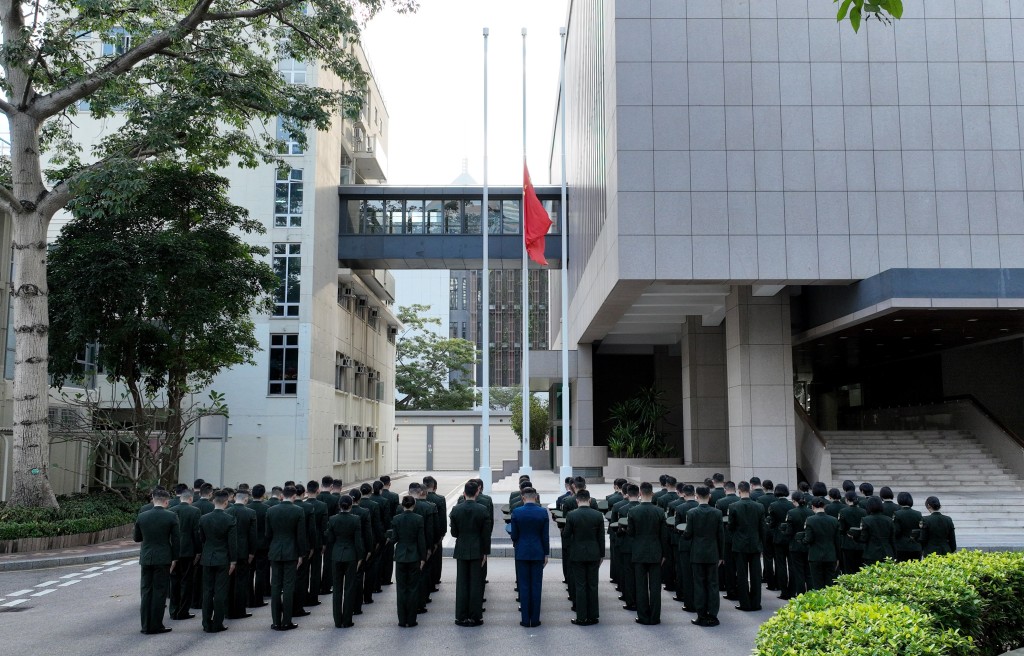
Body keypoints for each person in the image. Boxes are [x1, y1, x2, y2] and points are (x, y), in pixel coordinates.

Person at [134, 489, 180, 635]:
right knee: (159, 592)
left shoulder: (142, 516)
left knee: (146, 591)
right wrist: (175, 558)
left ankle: (145, 625)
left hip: (146, 557)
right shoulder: (171, 516)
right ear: (167, 501)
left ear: (153, 499)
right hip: (163, 557)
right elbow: (176, 540)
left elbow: (137, 538)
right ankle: (156, 624)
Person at [266, 484, 308, 631]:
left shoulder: (271, 510)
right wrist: (301, 554)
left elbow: (268, 534)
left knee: (276, 586)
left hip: (275, 550)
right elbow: (300, 536)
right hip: (291, 552)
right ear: (295, 496)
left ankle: (276, 621)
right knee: (289, 586)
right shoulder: (298, 510)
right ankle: (287, 621)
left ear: (282, 496)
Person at [449, 480, 489, 627]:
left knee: (462, 583)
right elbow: (486, 535)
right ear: (477, 492)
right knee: (476, 584)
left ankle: (460, 616)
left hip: (462, 548)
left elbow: (454, 533)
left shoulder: (456, 510)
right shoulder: (483, 509)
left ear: (464, 493)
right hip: (478, 548)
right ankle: (475, 616)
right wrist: (486, 552)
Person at [198, 490, 238, 633]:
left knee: (207, 591)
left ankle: (206, 623)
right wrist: (233, 561)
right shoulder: (230, 519)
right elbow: (232, 543)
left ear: (213, 501)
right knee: (220, 592)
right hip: (223, 559)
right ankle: (218, 623)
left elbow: (202, 539)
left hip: (207, 557)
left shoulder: (203, 519)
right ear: (226, 503)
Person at [685, 486, 725, 627]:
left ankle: (701, 615)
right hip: (713, 553)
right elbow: (721, 536)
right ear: (709, 496)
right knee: (713, 584)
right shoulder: (717, 513)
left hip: (697, 553)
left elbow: (688, 534)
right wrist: (722, 555)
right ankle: (713, 615)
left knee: (699, 584)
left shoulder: (691, 513)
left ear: (696, 496)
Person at [563, 488, 604, 626]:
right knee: (593, 585)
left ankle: (581, 616)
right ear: (590, 500)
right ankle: (593, 615)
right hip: (594, 553)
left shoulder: (571, 515)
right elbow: (601, 538)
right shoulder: (598, 515)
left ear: (577, 500)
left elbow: (566, 535)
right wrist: (602, 554)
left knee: (580, 585)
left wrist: (570, 550)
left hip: (577, 553)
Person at [510, 487, 548, 628]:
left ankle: (525, 620)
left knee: (524, 586)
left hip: (522, 552)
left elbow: (514, 535)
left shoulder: (517, 512)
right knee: (536, 586)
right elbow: (545, 536)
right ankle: (535, 619)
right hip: (538, 551)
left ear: (523, 498)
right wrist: (546, 553)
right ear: (536, 497)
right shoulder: (543, 512)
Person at [627, 482, 663, 626]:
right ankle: (655, 617)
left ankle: (643, 616)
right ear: (652, 493)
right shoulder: (659, 511)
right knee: (655, 587)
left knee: (640, 586)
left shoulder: (633, 511)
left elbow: (631, 533)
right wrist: (664, 553)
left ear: (640, 493)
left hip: (639, 551)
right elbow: (663, 535)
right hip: (655, 551)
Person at [325, 494, 363, 628]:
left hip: (336, 554)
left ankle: (337, 620)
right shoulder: (356, 519)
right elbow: (358, 541)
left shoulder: (332, 519)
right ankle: (347, 620)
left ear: (339, 505)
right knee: (349, 588)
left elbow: (330, 539)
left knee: (337, 589)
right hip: (351, 555)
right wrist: (360, 556)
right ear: (351, 505)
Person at [728, 481, 765, 612]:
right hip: (755, 544)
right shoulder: (759, 506)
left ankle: (744, 603)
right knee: (755, 575)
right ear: (749, 490)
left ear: (739, 491)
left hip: (739, 544)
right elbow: (762, 528)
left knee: (742, 575)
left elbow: (730, 527)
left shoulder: (733, 506)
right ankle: (756, 603)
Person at [392, 495, 426, 628]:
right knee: (413, 588)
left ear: (402, 505)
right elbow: (421, 541)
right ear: (414, 505)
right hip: (414, 556)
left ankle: (402, 619)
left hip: (400, 555)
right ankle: (411, 620)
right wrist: (423, 558)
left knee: (401, 589)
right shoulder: (419, 519)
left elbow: (394, 538)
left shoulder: (396, 519)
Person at [167, 488, 200, 621]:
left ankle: (173, 610)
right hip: (188, 550)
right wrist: (198, 551)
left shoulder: (171, 511)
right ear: (190, 499)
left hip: (174, 551)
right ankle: (183, 611)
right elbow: (196, 533)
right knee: (186, 582)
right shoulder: (195, 511)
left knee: (174, 581)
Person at [225, 488, 256, 620]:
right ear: (245, 499)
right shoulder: (250, 513)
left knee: (229, 582)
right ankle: (240, 610)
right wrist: (252, 552)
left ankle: (228, 610)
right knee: (241, 582)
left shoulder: (227, 512)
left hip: (228, 551)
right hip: (244, 551)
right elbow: (252, 535)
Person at [612, 484, 640, 612]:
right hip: (641, 546)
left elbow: (615, 528)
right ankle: (641, 600)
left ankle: (630, 600)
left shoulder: (621, 509)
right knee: (641, 576)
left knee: (628, 574)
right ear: (639, 494)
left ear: (627, 494)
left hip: (626, 545)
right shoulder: (651, 509)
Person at [670, 484, 699, 612]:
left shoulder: (680, 508)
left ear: (684, 494)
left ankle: (688, 602)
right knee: (698, 575)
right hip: (699, 544)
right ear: (694, 493)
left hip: (685, 544)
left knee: (685, 573)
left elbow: (677, 527)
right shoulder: (700, 507)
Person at [802, 497, 841, 590]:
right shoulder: (834, 520)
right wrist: (838, 557)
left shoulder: (810, 520)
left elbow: (809, 539)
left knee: (817, 583)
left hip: (815, 556)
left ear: (812, 507)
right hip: (831, 555)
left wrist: (802, 540)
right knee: (830, 584)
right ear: (824, 506)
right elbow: (838, 541)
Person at [785, 491, 812, 598]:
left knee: (798, 572)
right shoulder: (811, 512)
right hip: (808, 545)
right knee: (809, 572)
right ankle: (811, 594)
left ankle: (800, 595)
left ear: (794, 501)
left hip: (795, 546)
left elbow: (789, 531)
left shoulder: (791, 513)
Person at [248, 484, 271, 607]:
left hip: (249, 545)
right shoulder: (267, 509)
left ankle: (249, 598)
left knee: (249, 572)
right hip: (263, 544)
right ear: (263, 495)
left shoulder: (246, 508)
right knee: (261, 572)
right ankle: (259, 598)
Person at [859, 496, 896, 566]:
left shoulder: (865, 520)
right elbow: (892, 540)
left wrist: (855, 537)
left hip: (871, 553)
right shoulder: (889, 520)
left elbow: (864, 538)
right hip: (887, 552)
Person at [838, 490, 867, 574]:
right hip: (860, 543)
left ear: (846, 500)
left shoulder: (843, 511)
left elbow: (841, 528)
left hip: (847, 543)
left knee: (848, 569)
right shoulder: (863, 511)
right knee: (860, 569)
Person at [893, 492, 924, 562]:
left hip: (901, 547)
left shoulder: (897, 514)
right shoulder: (918, 514)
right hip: (916, 547)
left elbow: (896, 531)